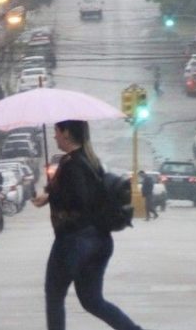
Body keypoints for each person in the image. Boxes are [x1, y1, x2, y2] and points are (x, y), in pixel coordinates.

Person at [31, 120, 146, 330]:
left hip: (74, 241)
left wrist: (53, 195)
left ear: (66, 133)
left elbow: (80, 199)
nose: (54, 136)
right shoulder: (91, 161)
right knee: (92, 301)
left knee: (54, 296)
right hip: (100, 240)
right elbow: (86, 193)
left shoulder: (71, 164)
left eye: (56, 132)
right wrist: (48, 195)